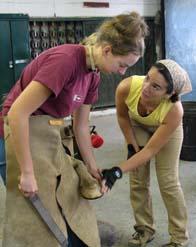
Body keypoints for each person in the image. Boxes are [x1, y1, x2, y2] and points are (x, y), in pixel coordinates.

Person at [0, 11, 148, 247]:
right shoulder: (66, 60)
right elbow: (18, 113)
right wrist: (27, 173)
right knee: (38, 211)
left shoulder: (94, 75)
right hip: (19, 129)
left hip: (47, 131)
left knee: (70, 195)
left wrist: (92, 168)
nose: (123, 72)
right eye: (122, 65)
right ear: (107, 49)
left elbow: (80, 127)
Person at [102, 59, 192, 247]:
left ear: (169, 94)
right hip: (138, 125)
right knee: (137, 179)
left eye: (156, 86)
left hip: (167, 128)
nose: (146, 88)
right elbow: (121, 115)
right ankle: (144, 230)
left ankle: (179, 238)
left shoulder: (174, 110)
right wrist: (130, 142)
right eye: (147, 78)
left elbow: (151, 150)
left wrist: (117, 171)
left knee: (168, 181)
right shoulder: (127, 87)